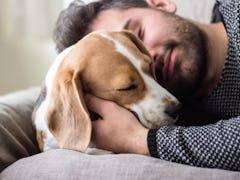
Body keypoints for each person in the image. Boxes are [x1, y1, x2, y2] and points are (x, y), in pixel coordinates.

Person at [53, 0, 240, 171]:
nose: (148, 58)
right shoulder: (176, 117)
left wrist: (139, 141)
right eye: (125, 80)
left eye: (137, 36)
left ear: (161, 4)